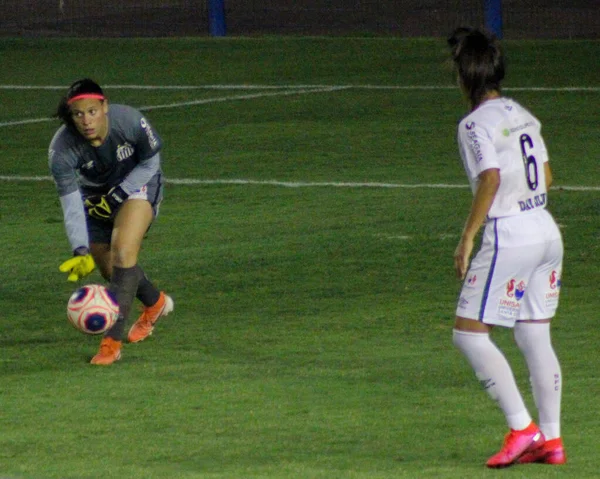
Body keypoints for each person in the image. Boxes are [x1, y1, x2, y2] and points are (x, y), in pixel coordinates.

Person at [448, 27, 565, 468]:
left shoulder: (474, 124)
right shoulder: (524, 113)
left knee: (468, 334)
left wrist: (467, 235)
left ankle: (522, 428)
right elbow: (548, 176)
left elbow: (490, 178)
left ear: (465, 76)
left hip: (511, 234)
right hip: (546, 229)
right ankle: (551, 441)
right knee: (535, 334)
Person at [49, 78, 174, 366]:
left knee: (123, 254)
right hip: (96, 199)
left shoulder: (130, 121)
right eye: (78, 114)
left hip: (138, 185)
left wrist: (120, 192)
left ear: (104, 106)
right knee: (111, 270)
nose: (86, 121)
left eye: (91, 111)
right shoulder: (61, 151)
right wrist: (80, 249)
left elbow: (150, 162)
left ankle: (111, 344)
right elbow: (71, 203)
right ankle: (154, 303)